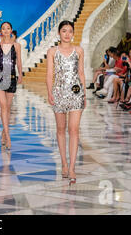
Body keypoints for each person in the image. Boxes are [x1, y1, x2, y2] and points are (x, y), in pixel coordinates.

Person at [46, 21, 86, 185]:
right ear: (59, 33)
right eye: (64, 31)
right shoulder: (52, 52)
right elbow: (49, 74)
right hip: (59, 93)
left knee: (74, 129)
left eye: (70, 31)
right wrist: (50, 92)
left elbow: (81, 73)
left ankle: (72, 167)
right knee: (61, 129)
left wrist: (85, 94)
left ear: (73, 33)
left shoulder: (79, 51)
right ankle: (63, 163)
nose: (67, 34)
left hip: (76, 93)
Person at [0, 22, 23, 150]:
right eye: (3, 28)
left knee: (8, 108)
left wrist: (21, 74)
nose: (5, 30)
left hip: (11, 77)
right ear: (0, 31)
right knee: (3, 106)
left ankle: (4, 133)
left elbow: (19, 61)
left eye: (8, 28)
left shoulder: (17, 46)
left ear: (11, 30)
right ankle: (8, 137)